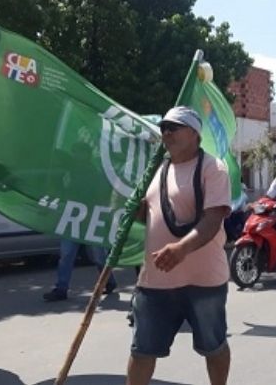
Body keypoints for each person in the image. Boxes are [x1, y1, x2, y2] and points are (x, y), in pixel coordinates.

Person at [127, 106, 231, 385]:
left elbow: (213, 219)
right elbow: (145, 215)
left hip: (204, 281)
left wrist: (180, 249)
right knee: (142, 350)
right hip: (155, 280)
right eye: (163, 128)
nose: (167, 133)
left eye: (174, 127)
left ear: (194, 133)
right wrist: (133, 210)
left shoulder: (213, 168)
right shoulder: (155, 170)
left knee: (214, 346)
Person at [42, 142, 117, 301]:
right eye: (75, 151)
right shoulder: (69, 171)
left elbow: (99, 195)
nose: (76, 155)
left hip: (90, 218)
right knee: (66, 254)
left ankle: (109, 281)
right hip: (72, 218)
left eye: (79, 152)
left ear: (87, 154)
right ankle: (61, 288)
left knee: (98, 256)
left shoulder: (93, 173)